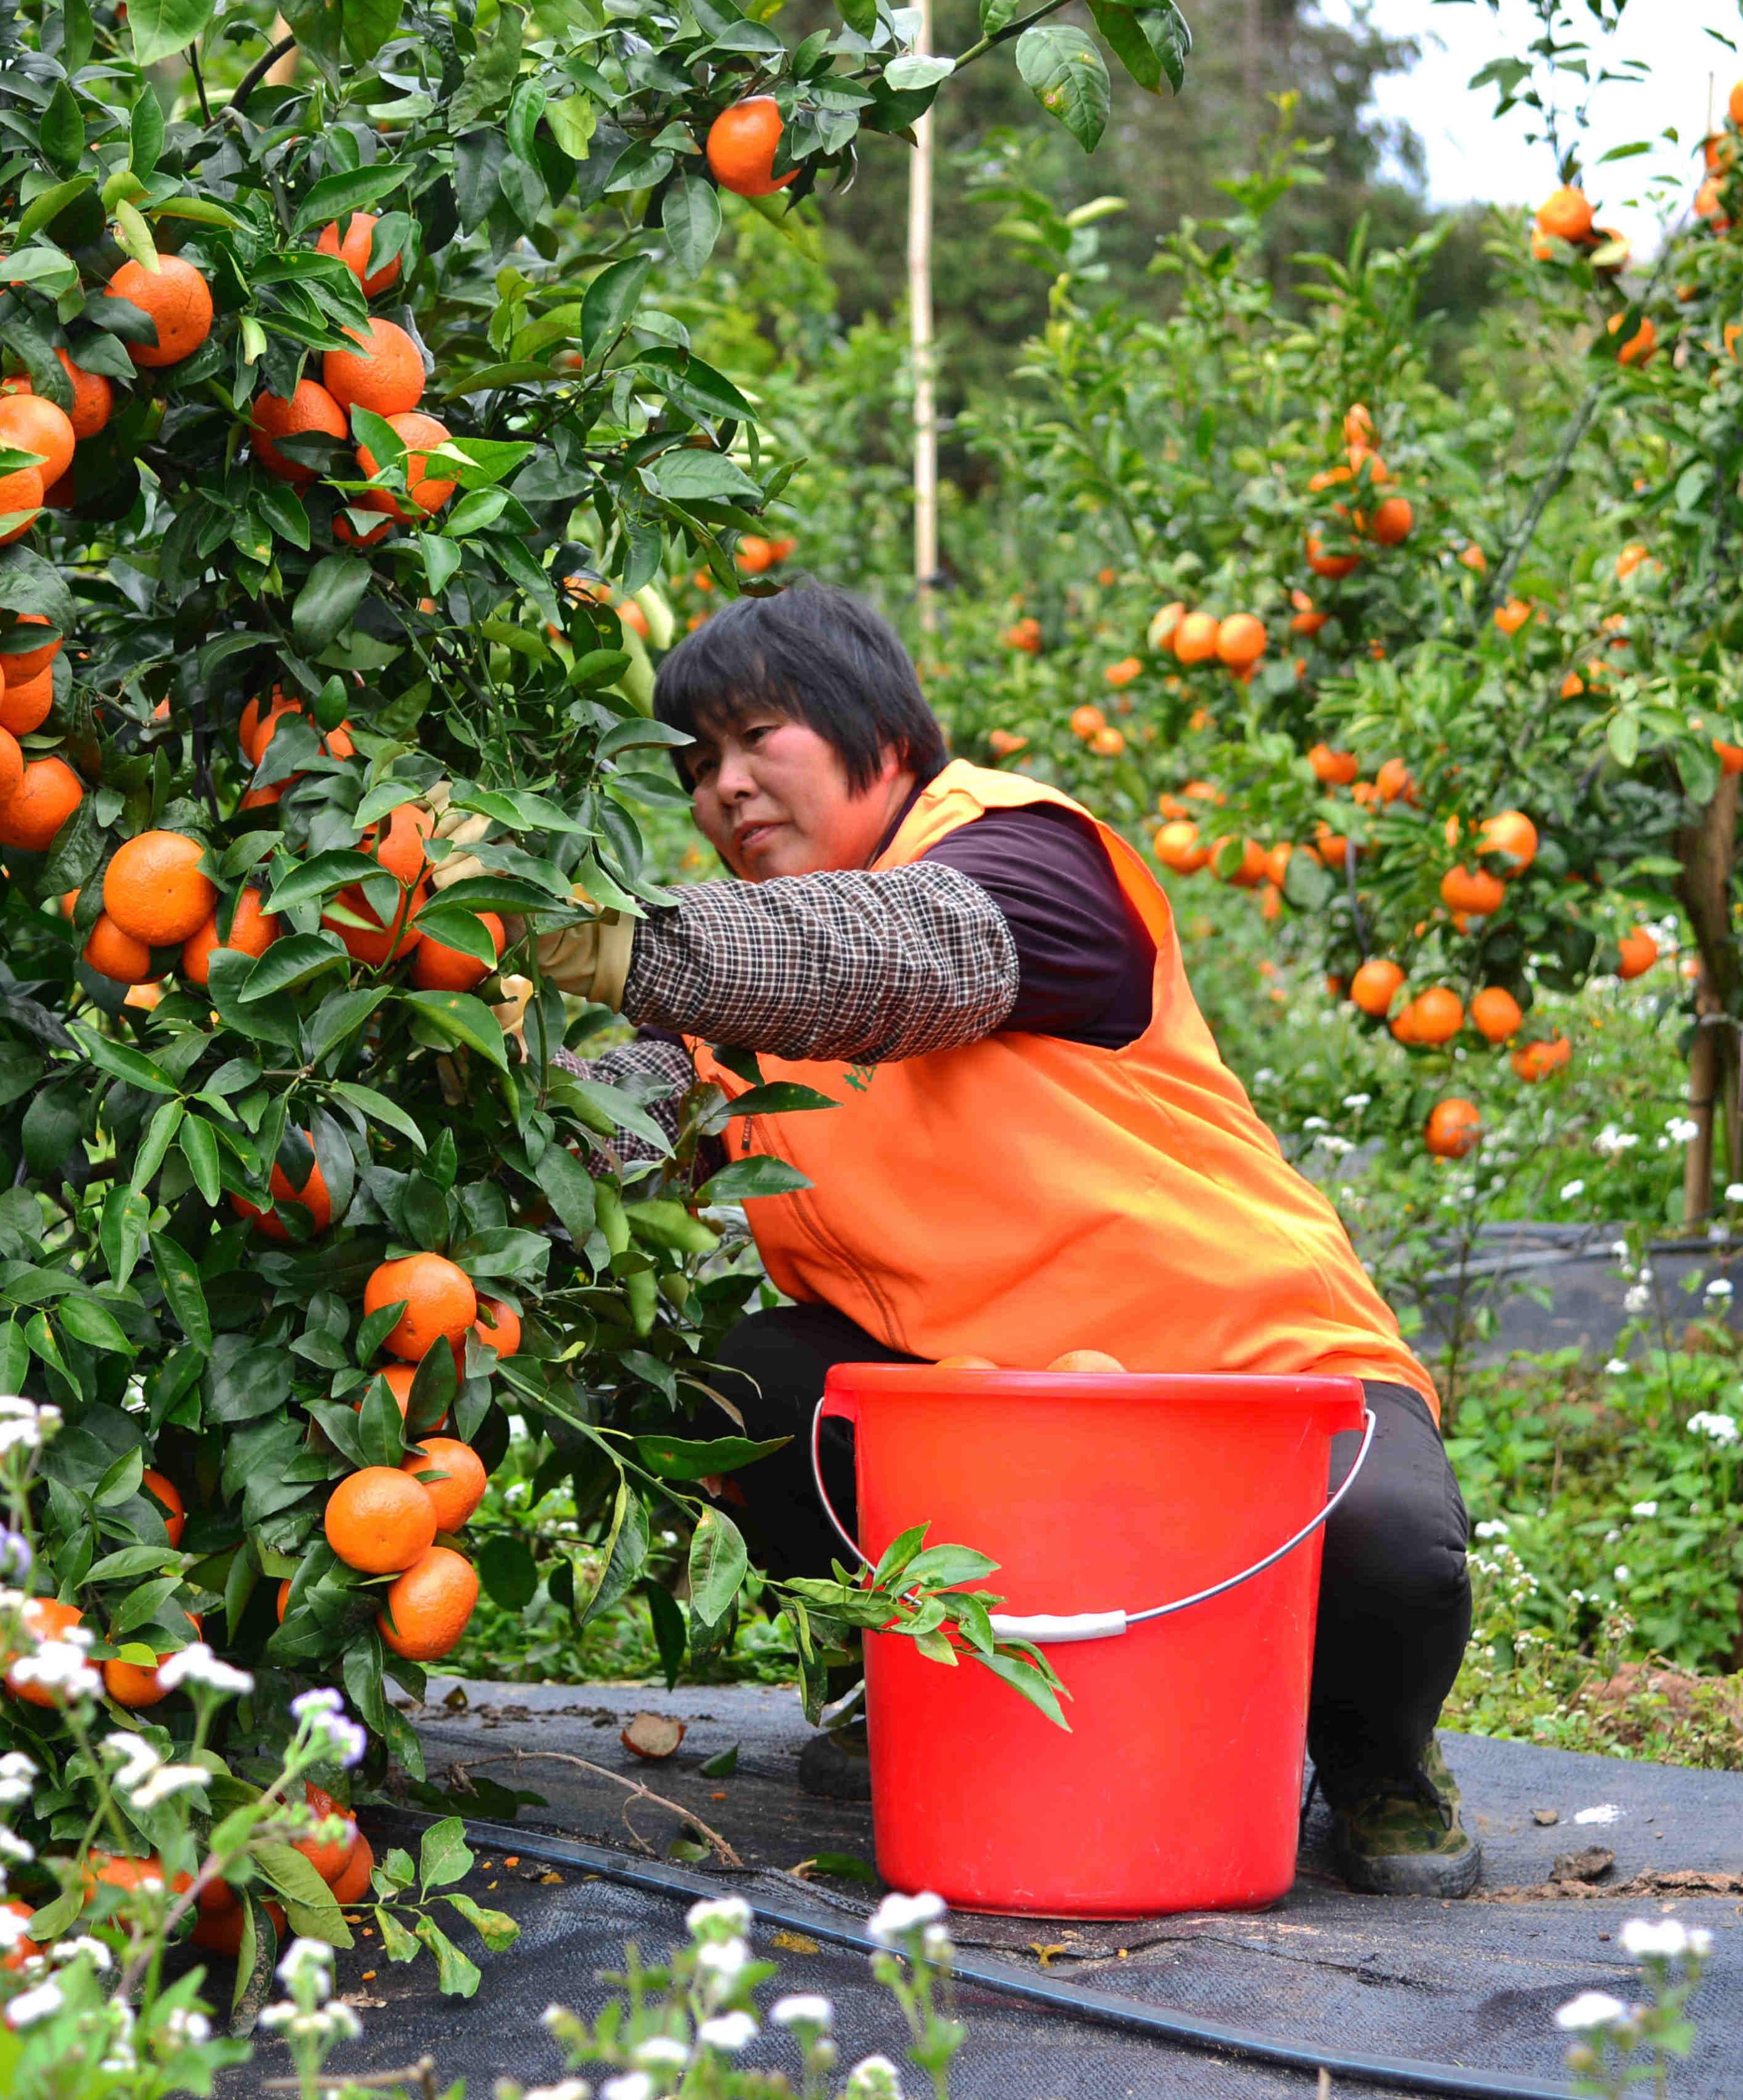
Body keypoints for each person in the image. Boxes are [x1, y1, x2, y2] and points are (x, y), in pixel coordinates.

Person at [532, 583, 1478, 1896]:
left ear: (877, 726)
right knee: (742, 1387)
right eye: (697, 768)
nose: (726, 789)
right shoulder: (727, 989)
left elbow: (897, 959)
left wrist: (605, 943)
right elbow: (588, 1147)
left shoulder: (1022, 853)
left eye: (759, 739)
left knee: (1383, 1548)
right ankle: (921, 1672)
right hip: (992, 1416)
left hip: (1244, 1368)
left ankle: (1374, 1753)